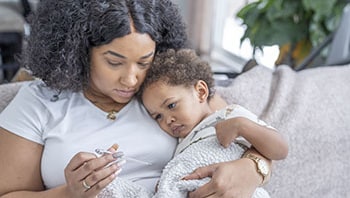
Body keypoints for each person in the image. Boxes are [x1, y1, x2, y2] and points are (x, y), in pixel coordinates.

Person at [0, 0, 279, 197]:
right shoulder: (37, 103)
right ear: (78, 52)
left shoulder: (168, 90)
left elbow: (238, 130)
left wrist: (252, 169)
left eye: (143, 62)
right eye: (114, 62)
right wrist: (70, 193)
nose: (132, 79)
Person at [96, 49, 289, 197]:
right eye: (158, 117)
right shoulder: (181, 142)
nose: (167, 120)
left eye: (171, 105)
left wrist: (241, 126)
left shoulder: (229, 115)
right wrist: (167, 183)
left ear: (200, 92)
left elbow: (280, 149)